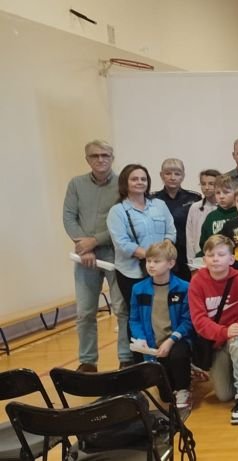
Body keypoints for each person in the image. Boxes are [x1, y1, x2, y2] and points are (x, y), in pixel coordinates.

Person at [63, 139, 125, 372]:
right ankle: (88, 361)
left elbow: (124, 221)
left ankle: (126, 357)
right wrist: (85, 245)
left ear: (112, 157)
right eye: (95, 155)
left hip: (116, 254)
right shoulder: (76, 184)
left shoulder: (122, 184)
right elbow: (69, 216)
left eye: (105, 155)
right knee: (85, 312)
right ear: (87, 159)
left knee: (122, 309)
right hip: (85, 257)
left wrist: (96, 240)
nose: (100, 159)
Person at [106, 164, 176, 369]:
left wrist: (163, 256)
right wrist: (153, 257)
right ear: (125, 183)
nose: (139, 182)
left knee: (163, 313)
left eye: (143, 179)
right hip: (132, 272)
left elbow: (170, 231)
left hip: (162, 272)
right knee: (137, 316)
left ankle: (166, 359)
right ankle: (140, 363)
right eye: (134, 179)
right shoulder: (118, 211)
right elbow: (122, 243)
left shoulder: (159, 205)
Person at [188, 235, 238, 424]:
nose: (215, 259)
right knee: (224, 395)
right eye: (210, 255)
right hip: (216, 342)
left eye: (221, 254)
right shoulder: (197, 283)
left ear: (231, 259)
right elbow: (199, 320)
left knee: (237, 343)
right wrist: (223, 332)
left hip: (237, 334)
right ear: (204, 259)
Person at [128, 241, 193, 409]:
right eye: (148, 261)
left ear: (170, 263)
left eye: (156, 261)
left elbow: (188, 320)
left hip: (176, 340)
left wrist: (171, 340)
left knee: (179, 355)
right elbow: (134, 319)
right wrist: (141, 339)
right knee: (166, 396)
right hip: (153, 344)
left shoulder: (184, 287)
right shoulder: (138, 289)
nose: (151, 265)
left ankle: (183, 388)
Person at [153, 159, 202, 281]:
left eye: (177, 173)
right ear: (161, 175)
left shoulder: (194, 198)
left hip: (186, 252)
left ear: (183, 175)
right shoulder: (152, 199)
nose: (172, 177)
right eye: (168, 173)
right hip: (162, 252)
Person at [185, 169, 222, 267]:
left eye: (211, 184)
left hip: (221, 259)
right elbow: (190, 238)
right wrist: (192, 263)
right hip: (200, 260)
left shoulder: (225, 209)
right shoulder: (195, 207)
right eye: (203, 184)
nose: (206, 187)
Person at [197, 175, 238, 257]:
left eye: (226, 192)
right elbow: (204, 244)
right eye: (218, 193)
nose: (221, 196)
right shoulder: (211, 217)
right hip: (215, 259)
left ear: (236, 194)